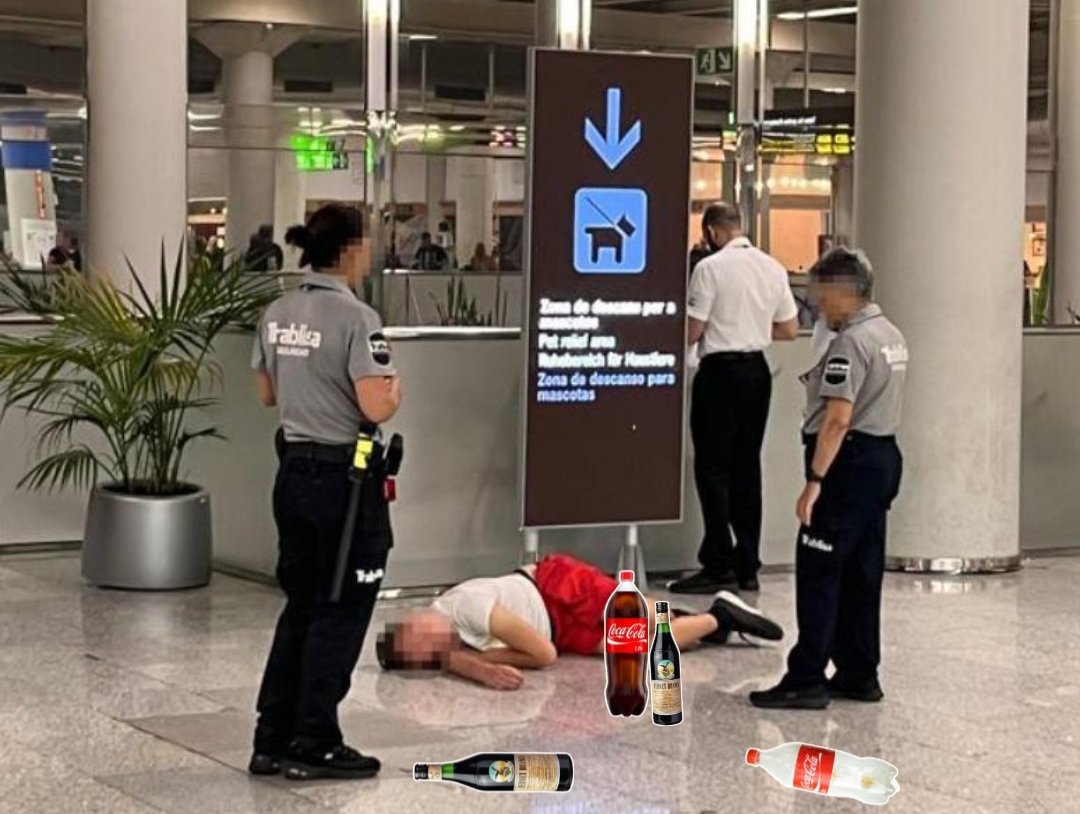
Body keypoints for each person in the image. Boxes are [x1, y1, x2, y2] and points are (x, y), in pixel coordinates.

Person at [249, 204, 402, 780]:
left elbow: (267, 394)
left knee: (302, 605)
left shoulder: (277, 311)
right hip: (346, 481)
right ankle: (314, 738)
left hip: (293, 476)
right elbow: (375, 404)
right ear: (351, 249)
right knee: (341, 608)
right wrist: (396, 389)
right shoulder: (357, 318)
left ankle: (272, 736)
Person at [750, 248, 906, 710]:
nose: (817, 304)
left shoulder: (851, 343)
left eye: (821, 294)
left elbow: (837, 418)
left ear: (843, 290)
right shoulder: (890, 333)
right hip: (882, 458)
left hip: (847, 464)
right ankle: (859, 671)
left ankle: (806, 676)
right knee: (862, 569)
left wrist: (815, 480)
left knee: (819, 568)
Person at [375, 553, 784, 689]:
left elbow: (541, 653)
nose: (435, 648)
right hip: (556, 623)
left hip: (555, 586)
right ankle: (717, 619)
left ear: (414, 620)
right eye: (427, 656)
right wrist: (466, 662)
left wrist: (471, 666)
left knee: (635, 615)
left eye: (422, 640)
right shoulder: (454, 645)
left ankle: (704, 616)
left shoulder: (460, 607)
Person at [670, 202, 800, 595]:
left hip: (720, 374)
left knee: (713, 468)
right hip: (757, 373)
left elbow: (693, 331)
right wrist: (753, 329)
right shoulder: (772, 267)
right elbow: (791, 329)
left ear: (711, 232)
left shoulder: (709, 269)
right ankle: (748, 565)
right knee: (747, 467)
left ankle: (717, 562)